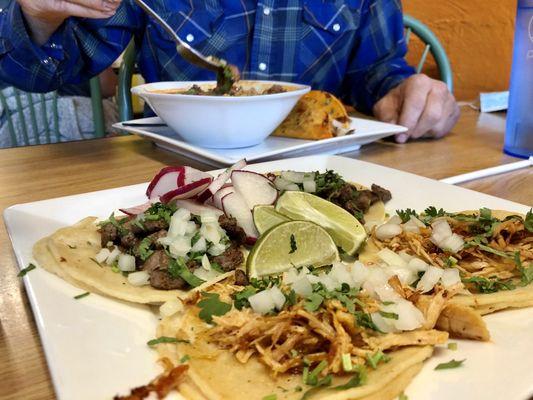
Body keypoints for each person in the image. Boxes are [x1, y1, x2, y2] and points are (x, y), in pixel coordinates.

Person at [0, 0, 459, 143]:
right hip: (169, 177)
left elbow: (378, 71)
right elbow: (50, 71)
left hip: (320, 179)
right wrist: (40, 16)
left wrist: (409, 92)